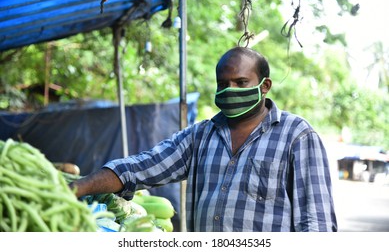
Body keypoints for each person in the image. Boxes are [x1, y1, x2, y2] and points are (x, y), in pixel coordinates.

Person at [70, 46, 337, 232]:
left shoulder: (297, 136)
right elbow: (141, 167)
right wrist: (78, 187)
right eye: (223, 84)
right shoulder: (201, 135)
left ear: (264, 86)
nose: (229, 90)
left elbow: (316, 222)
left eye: (241, 82)